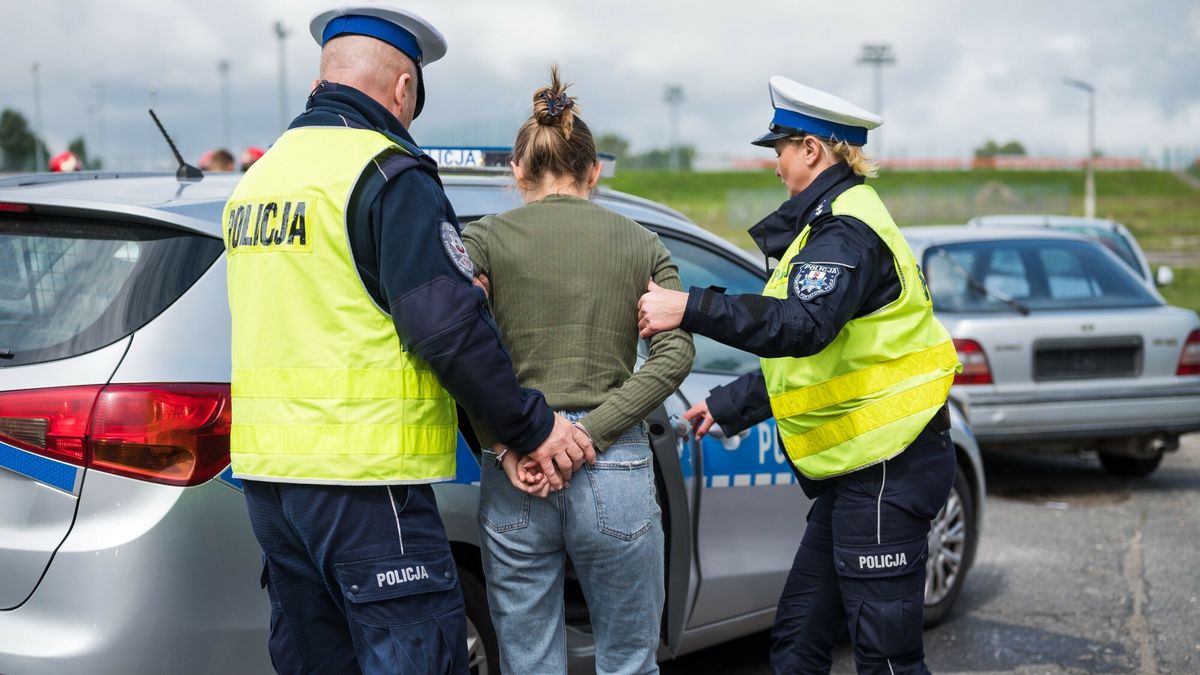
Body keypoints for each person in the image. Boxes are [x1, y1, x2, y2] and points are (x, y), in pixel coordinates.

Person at [221, 6, 593, 673]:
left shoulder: (261, 179)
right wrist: (528, 427)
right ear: (401, 90)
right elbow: (445, 328)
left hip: (272, 483)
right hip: (366, 483)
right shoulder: (388, 172)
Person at [637, 76, 961, 675]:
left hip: (889, 466)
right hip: (860, 472)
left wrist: (690, 308)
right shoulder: (831, 224)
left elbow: (801, 326)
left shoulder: (846, 229)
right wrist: (732, 402)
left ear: (812, 149)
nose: (776, 165)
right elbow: (824, 356)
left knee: (886, 658)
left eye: (780, 149)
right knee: (797, 642)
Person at [461, 68, 694, 675]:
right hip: (613, 464)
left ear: (518, 172)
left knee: (529, 661)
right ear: (594, 172)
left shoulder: (480, 241)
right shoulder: (643, 243)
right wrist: (591, 433)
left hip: (519, 466)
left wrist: (503, 441)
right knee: (628, 661)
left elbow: (452, 348)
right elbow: (676, 356)